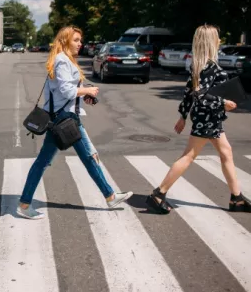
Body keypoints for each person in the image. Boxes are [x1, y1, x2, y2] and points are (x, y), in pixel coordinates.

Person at [17, 26, 133, 220]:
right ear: (64, 41)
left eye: (80, 40)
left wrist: (83, 95)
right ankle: (24, 203)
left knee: (80, 158)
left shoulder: (65, 60)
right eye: (76, 40)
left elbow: (67, 91)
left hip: (66, 117)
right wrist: (87, 91)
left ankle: (110, 195)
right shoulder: (62, 61)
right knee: (75, 158)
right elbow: (66, 91)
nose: (81, 44)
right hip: (64, 120)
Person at [146, 24, 251, 214]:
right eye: (217, 37)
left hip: (209, 118)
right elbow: (199, 94)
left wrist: (183, 116)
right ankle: (158, 194)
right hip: (207, 118)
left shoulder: (200, 65)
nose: (219, 40)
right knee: (189, 156)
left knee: (226, 152)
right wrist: (223, 102)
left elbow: (188, 92)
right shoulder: (208, 66)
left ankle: (236, 198)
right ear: (211, 41)